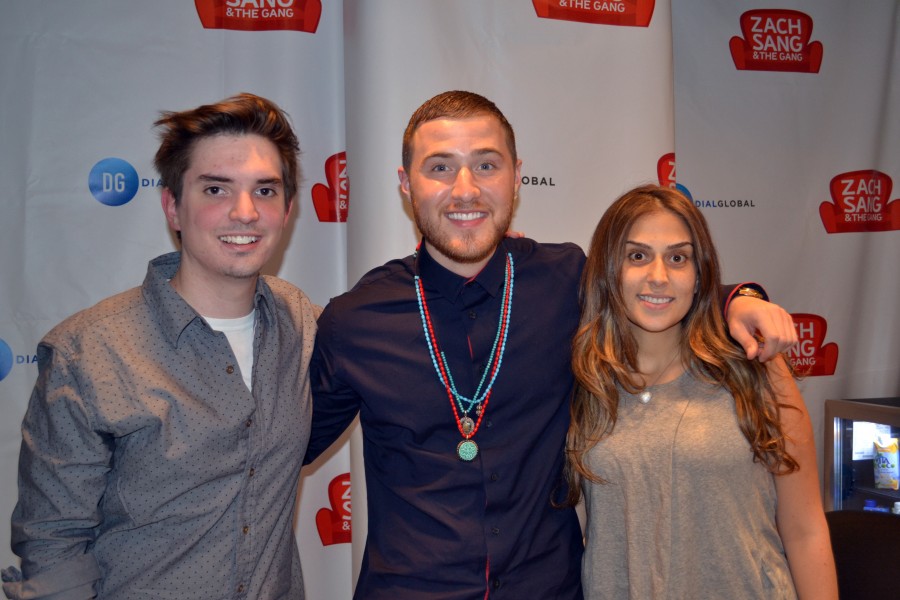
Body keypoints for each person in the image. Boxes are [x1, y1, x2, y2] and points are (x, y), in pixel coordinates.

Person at [305, 90, 798, 599]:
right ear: (406, 184)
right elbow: (281, 451)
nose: (466, 190)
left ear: (517, 178)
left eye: (486, 165)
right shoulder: (356, 321)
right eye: (440, 168)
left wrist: (740, 299)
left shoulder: (564, 280)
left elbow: (657, 292)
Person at [2, 93, 317, 599]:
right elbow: (53, 550)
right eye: (216, 189)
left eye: (265, 190)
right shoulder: (88, 354)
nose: (245, 212)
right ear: (173, 205)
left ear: (287, 209)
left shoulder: (300, 322)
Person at [566, 184, 837, 599]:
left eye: (678, 258)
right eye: (637, 255)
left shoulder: (755, 366)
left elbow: (804, 528)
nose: (659, 276)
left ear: (698, 275)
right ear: (608, 271)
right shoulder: (586, 384)